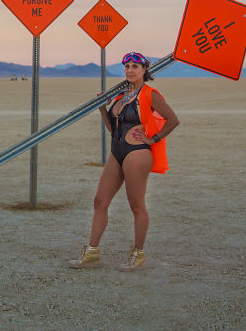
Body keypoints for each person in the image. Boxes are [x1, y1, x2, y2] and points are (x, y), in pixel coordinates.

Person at [69, 51, 179, 272]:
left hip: (137, 153)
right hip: (116, 152)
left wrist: (153, 138)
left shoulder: (150, 94)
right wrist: (102, 107)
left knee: (136, 206)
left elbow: (173, 120)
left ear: (144, 70)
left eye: (135, 67)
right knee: (100, 202)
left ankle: (138, 255)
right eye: (127, 66)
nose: (130, 70)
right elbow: (112, 128)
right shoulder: (121, 95)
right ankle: (92, 253)